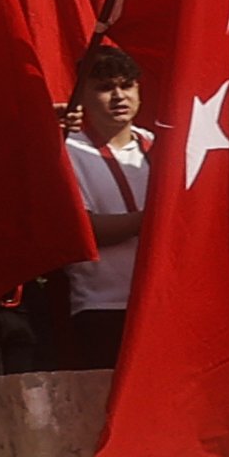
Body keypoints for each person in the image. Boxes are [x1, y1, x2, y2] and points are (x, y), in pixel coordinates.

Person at [56, 44, 152, 370]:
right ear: (80, 95)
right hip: (103, 308)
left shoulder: (162, 146)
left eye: (126, 85)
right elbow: (82, 230)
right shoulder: (66, 150)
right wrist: (157, 219)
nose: (118, 96)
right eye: (104, 88)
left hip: (163, 302)